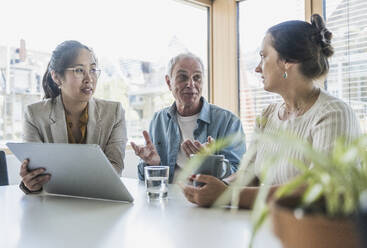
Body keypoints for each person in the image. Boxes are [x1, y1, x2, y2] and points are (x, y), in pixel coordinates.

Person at [183, 14, 361, 207]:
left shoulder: (333, 113)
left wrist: (228, 195)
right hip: (270, 226)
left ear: (286, 61)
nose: (258, 68)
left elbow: (320, 190)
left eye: (263, 56)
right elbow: (249, 175)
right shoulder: (268, 115)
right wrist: (212, 188)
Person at [19, 40, 128, 194]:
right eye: (79, 70)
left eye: (93, 69)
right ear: (56, 77)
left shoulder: (114, 112)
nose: (89, 78)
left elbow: (115, 169)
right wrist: (30, 184)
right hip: (54, 206)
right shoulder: (34, 115)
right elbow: (35, 174)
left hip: (99, 203)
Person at [131, 53, 246, 182]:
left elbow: (239, 174)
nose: (191, 84)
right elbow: (143, 179)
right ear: (169, 82)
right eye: (183, 77)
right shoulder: (158, 120)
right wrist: (152, 165)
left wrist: (209, 163)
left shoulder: (228, 122)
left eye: (197, 78)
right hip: (168, 199)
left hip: (206, 200)